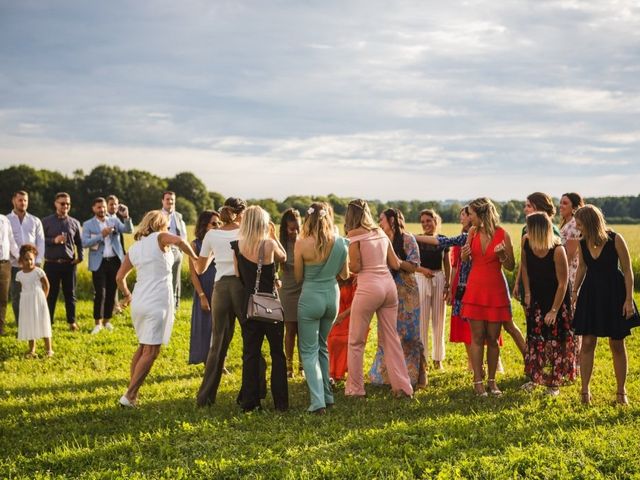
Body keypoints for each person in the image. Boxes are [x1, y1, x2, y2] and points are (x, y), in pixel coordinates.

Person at [115, 210, 200, 407]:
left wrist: (128, 295)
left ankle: (132, 394)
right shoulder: (161, 237)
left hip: (139, 301)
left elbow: (119, 277)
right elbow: (179, 241)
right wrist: (195, 257)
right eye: (168, 224)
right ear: (161, 224)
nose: (169, 228)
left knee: (143, 347)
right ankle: (129, 396)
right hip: (156, 301)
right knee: (151, 352)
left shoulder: (135, 247)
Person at [344, 199, 413, 399]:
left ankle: (355, 389)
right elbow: (395, 263)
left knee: (356, 341)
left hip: (368, 288)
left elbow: (355, 267)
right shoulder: (381, 233)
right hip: (388, 287)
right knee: (391, 339)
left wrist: (346, 263)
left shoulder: (353, 235)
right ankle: (402, 387)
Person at [572, 205, 639, 405]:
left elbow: (627, 270)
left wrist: (628, 299)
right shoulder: (582, 242)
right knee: (588, 342)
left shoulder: (616, 239)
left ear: (591, 223)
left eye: (580, 224)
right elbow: (582, 267)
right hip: (591, 295)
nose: (577, 228)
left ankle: (621, 393)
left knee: (617, 343)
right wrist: (574, 291)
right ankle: (585, 392)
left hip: (614, 294)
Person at [232, 206, 289, 412]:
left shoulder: (238, 245)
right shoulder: (269, 244)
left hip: (249, 304)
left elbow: (238, 275)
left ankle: (250, 402)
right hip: (270, 303)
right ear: (263, 223)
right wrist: (273, 235)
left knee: (250, 354)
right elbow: (283, 258)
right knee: (277, 354)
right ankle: (281, 402)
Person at [295, 202, 349, 414]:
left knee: (308, 351)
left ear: (308, 219)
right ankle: (328, 396)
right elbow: (345, 275)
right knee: (322, 346)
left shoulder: (301, 243)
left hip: (310, 297)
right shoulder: (341, 242)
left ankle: (317, 402)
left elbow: (298, 277)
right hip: (331, 297)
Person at [195, 197, 248, 407]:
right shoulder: (246, 232)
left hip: (220, 288)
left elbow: (200, 269)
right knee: (251, 339)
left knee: (218, 343)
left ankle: (205, 398)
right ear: (240, 213)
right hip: (241, 286)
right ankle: (251, 392)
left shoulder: (211, 234)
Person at [462, 197, 515, 397]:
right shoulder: (472, 233)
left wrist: (502, 256)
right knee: (476, 337)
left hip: (495, 291)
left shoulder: (502, 234)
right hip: (475, 289)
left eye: (472, 214)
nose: (469, 218)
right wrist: (464, 256)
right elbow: (466, 259)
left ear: (482, 214)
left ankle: (492, 382)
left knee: (493, 338)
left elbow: (510, 266)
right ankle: (478, 382)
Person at [520, 213, 577, 395]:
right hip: (536, 295)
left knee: (555, 339)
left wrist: (554, 310)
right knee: (535, 338)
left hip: (556, 298)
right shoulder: (526, 242)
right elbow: (525, 269)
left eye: (529, 227)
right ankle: (535, 379)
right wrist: (527, 293)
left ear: (538, 229)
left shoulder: (557, 249)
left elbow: (563, 283)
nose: (527, 230)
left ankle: (554, 384)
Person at [369, 208, 427, 388]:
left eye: (382, 220)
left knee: (409, 335)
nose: (379, 223)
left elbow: (414, 265)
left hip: (407, 294)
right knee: (386, 334)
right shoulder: (380, 240)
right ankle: (387, 376)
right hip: (386, 292)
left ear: (392, 221)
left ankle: (417, 374)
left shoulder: (408, 239)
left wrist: (396, 262)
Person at [510, 192, 559, 359]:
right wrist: (518, 283)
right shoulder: (526, 229)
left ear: (538, 207)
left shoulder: (552, 231)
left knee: (545, 326)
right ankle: (534, 360)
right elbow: (524, 261)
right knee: (532, 324)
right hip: (527, 281)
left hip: (544, 285)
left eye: (528, 206)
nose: (525, 209)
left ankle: (546, 360)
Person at [82, 197, 133, 333]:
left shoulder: (114, 220)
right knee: (100, 293)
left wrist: (126, 216)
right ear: (94, 209)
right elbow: (85, 243)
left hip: (114, 261)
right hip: (99, 263)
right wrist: (101, 235)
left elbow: (128, 230)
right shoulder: (88, 224)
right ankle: (97, 323)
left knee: (111, 292)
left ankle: (107, 321)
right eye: (99, 207)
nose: (102, 209)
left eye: (104, 207)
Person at [41, 192, 84, 331]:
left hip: (69, 264)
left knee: (70, 294)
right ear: (55, 204)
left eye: (68, 204)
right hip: (51, 264)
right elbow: (40, 241)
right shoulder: (46, 221)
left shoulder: (75, 223)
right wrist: (54, 240)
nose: (65, 206)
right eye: (62, 203)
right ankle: (48, 322)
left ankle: (72, 322)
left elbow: (79, 242)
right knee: (50, 294)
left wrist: (81, 256)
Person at [414, 209, 450, 370]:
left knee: (438, 320)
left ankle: (438, 359)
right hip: (421, 279)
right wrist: (422, 271)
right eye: (423, 222)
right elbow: (412, 263)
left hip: (439, 279)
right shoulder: (417, 240)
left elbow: (447, 263)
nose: (426, 224)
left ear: (435, 221)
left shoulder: (443, 240)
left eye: (428, 220)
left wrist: (448, 283)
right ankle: (423, 359)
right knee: (422, 322)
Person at [7, 190, 45, 326]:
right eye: (20, 200)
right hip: (14, 265)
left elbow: (41, 242)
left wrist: (38, 262)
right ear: (14, 201)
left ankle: (34, 324)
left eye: (25, 200)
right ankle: (21, 325)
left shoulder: (35, 221)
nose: (23, 203)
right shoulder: (6, 220)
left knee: (34, 295)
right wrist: (19, 258)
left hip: (32, 266)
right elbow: (7, 241)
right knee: (17, 297)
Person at [188, 210, 220, 365]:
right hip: (204, 287)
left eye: (218, 223)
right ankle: (206, 359)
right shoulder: (195, 244)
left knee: (219, 327)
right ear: (204, 225)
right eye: (213, 223)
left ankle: (220, 361)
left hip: (220, 286)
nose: (217, 226)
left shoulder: (220, 241)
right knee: (205, 326)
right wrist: (201, 295)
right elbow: (194, 274)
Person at [278, 208, 303, 378]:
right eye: (291, 229)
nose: (295, 232)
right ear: (284, 228)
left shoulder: (304, 241)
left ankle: (302, 366)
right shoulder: (281, 243)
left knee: (304, 329)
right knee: (290, 329)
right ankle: (288, 366)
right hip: (287, 288)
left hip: (304, 287)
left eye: (297, 228)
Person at [15, 245, 52, 357]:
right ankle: (32, 350)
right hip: (27, 301)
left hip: (38, 299)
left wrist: (43, 298)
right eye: (26, 259)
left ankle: (49, 349)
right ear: (21, 260)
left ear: (34, 259)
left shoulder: (38, 271)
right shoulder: (19, 275)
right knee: (30, 323)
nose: (29, 262)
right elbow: (21, 287)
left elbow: (47, 285)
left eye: (31, 259)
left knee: (43, 322)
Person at [161, 191, 188, 309]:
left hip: (177, 251)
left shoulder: (178, 216)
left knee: (175, 280)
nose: (170, 202)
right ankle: (163, 304)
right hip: (163, 252)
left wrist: (181, 251)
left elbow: (183, 235)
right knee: (163, 278)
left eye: (172, 200)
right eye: (167, 199)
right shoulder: (157, 215)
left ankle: (174, 306)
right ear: (162, 201)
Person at [328, 275, 356, 382]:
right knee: (331, 338)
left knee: (343, 339)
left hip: (352, 316)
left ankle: (340, 372)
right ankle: (333, 372)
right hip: (337, 314)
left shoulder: (355, 279)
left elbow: (357, 302)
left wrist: (343, 316)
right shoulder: (333, 279)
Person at [559, 193, 584, 289]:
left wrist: (561, 277)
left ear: (574, 207)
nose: (561, 206)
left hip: (570, 272)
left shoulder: (574, 225)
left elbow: (570, 255)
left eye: (565, 203)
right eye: (560, 203)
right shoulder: (568, 223)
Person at [0, 213, 20, 335]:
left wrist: (20, 257)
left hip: (5, 264)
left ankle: (0, 329)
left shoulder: (4, 219)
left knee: (2, 298)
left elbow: (11, 241)